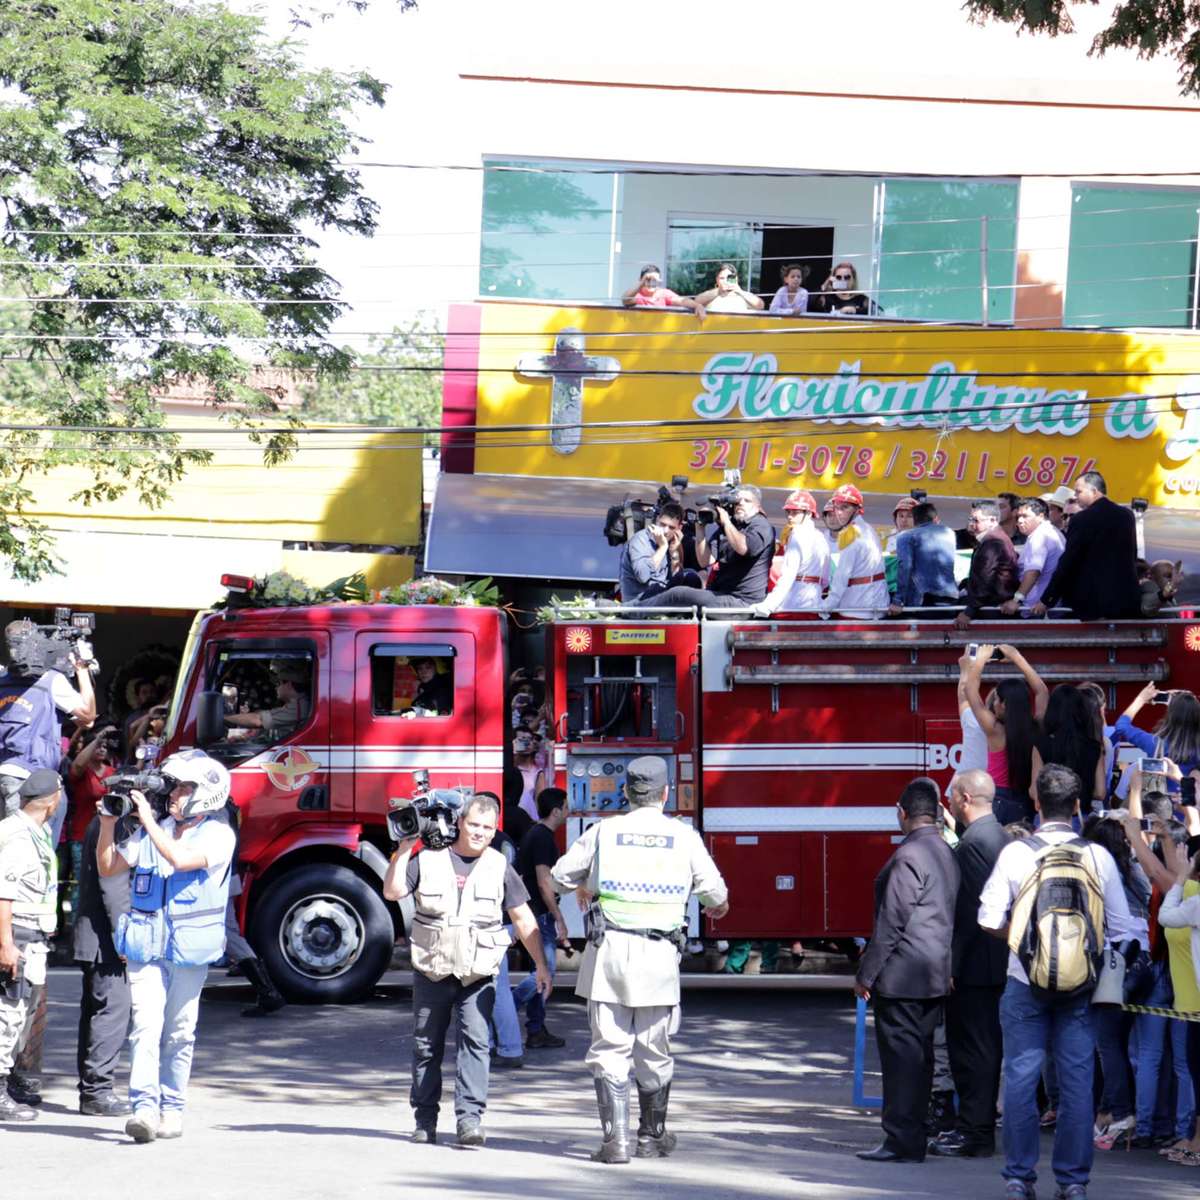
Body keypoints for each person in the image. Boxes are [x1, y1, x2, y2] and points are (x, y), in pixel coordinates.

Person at [550, 756, 728, 1164]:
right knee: (654, 1049)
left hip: (608, 952)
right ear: (665, 794)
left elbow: (560, 877)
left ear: (626, 793)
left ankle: (616, 1143)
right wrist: (715, 907)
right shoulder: (683, 837)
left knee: (610, 1049)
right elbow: (716, 897)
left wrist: (587, 885)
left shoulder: (603, 831)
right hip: (659, 957)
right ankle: (651, 1137)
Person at [978, 763, 1138, 1200]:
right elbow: (1124, 928)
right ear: (1077, 806)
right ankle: (1072, 1183)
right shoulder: (1097, 856)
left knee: (1021, 1081)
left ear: (1036, 803)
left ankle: (1018, 1178)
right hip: (1082, 988)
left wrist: (1024, 938)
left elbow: (988, 918)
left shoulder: (1016, 853)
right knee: (1077, 1084)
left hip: (1023, 982)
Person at [383, 792, 551, 1147]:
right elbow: (393, 891)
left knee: (475, 1045)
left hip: (478, 974)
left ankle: (469, 1121)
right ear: (460, 822)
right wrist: (403, 849)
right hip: (433, 970)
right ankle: (425, 1120)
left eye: (486, 828)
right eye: (473, 824)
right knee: (426, 1047)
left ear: (494, 832)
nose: (478, 832)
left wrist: (540, 965)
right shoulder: (426, 859)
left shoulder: (499, 866)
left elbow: (522, 918)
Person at [96, 749, 236, 1144]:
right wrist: (108, 825)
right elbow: (109, 867)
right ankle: (143, 1108)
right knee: (145, 1027)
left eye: (181, 788)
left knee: (179, 1032)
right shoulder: (151, 828)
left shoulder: (218, 834)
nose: (172, 795)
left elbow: (179, 858)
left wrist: (145, 821)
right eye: (172, 787)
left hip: (187, 953)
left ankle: (171, 1109)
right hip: (146, 949)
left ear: (205, 793)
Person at [854, 777, 960, 1164]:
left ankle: (899, 1139)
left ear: (902, 813)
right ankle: (913, 1135)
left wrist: (866, 974)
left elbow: (891, 923)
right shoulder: (945, 851)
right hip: (933, 974)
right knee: (921, 1060)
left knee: (900, 1064)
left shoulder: (908, 856)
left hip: (901, 979)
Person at [930, 769, 1010, 1160]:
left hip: (976, 967)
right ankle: (974, 1128)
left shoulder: (973, 845)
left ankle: (974, 1132)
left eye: (951, 796)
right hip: (994, 964)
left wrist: (951, 967)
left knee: (972, 1051)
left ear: (963, 797)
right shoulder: (995, 836)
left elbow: (968, 916)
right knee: (985, 1047)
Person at [1080, 813, 1151, 1151]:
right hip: (1143, 961)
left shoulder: (1097, 873)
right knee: (1118, 1044)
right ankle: (1109, 1113)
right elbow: (1150, 896)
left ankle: (1119, 1113)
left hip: (1115, 962)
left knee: (1107, 1042)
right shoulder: (1132, 869)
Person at [0, 769, 61, 1123]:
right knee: (8, 1015)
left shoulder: (36, 831)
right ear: (52, 801)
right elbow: (3, 895)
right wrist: (6, 944)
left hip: (31, 935)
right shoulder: (18, 836)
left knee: (22, 1012)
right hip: (17, 935)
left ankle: (9, 1082)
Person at [0, 618, 96, 820]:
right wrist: (82, 670)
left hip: (5, 774)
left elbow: (85, 722)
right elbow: (88, 715)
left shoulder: (3, 679)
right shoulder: (51, 681)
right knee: (24, 843)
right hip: (31, 778)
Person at [73, 807, 133, 1116]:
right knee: (111, 1013)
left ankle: (92, 1089)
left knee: (98, 1013)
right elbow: (115, 887)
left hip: (96, 935)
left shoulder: (102, 820)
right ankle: (97, 1091)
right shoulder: (115, 825)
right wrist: (124, 935)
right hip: (106, 939)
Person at [640, 485, 775, 612]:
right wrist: (700, 529)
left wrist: (726, 522)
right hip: (720, 594)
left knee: (679, 594)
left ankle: (633, 611)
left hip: (742, 601)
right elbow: (705, 560)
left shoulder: (761, 526)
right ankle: (634, 607)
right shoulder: (733, 526)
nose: (740, 504)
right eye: (738, 500)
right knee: (684, 580)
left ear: (757, 507)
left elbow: (743, 548)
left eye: (747, 501)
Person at [1032, 472, 1141, 620]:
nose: (1075, 496)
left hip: (1093, 604)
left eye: (1079, 491)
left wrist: (1047, 600)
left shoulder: (1082, 519)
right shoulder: (1126, 515)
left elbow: (1068, 562)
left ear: (1094, 491)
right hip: (1125, 600)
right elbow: (1131, 556)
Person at [960, 643, 1047, 826]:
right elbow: (1041, 691)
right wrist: (1017, 657)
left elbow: (970, 691)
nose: (995, 703)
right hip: (1026, 803)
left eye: (998, 700)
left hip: (998, 798)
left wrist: (980, 660)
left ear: (1004, 705)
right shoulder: (1037, 726)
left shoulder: (995, 730)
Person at [512, 788, 570, 1050]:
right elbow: (545, 882)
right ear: (556, 810)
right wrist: (558, 917)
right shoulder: (544, 838)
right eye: (566, 806)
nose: (569, 811)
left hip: (534, 911)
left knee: (541, 973)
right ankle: (502, 1011)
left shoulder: (536, 834)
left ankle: (536, 1029)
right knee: (543, 974)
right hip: (540, 914)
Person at [751, 489, 830, 617]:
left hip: (795, 602)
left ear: (809, 513)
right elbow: (825, 580)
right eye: (788, 512)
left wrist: (768, 606)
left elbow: (788, 576)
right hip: (815, 603)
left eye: (795, 512)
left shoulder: (797, 534)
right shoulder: (821, 537)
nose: (789, 516)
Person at [1032, 685, 1108, 810]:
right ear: (1081, 710)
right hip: (1081, 814)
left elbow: (1034, 791)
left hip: (1050, 814)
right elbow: (1100, 793)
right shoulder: (1094, 746)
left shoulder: (1041, 745)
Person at [1113, 684, 1200, 792]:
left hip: (1160, 805)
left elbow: (1122, 726)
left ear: (1170, 716)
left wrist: (1140, 700)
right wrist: (1190, 701)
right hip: (1191, 805)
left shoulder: (1156, 744)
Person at [820, 484, 889, 619]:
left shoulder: (851, 534)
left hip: (857, 608)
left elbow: (841, 577)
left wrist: (825, 607)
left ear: (857, 510)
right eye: (837, 507)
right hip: (876, 604)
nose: (839, 512)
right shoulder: (868, 529)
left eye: (845, 507)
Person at [617, 502, 701, 604]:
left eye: (671, 527)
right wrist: (662, 547)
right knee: (665, 591)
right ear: (657, 520)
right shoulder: (640, 539)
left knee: (691, 577)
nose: (665, 531)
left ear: (679, 528)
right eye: (663, 524)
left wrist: (675, 552)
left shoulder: (673, 541)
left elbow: (675, 577)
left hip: (660, 595)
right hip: (638, 601)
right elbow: (643, 576)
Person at [954, 500, 1019, 630]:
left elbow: (985, 579)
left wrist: (969, 612)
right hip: (989, 605)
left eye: (976, 520)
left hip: (991, 609)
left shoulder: (993, 541)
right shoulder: (992, 538)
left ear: (992, 520)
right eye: (970, 519)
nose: (972, 524)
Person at [888, 501, 958, 614]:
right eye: (900, 516)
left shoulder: (905, 537)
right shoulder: (948, 532)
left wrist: (898, 600)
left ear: (915, 518)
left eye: (909, 516)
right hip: (950, 596)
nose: (904, 520)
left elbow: (905, 567)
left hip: (921, 600)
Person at [1000, 498, 1065, 617]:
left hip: (1037, 610)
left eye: (1025, 516)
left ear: (1040, 516)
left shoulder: (1039, 536)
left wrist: (1016, 600)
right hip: (1047, 607)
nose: (1020, 521)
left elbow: (1033, 572)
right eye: (1018, 516)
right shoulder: (1051, 532)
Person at [223, 659, 310, 738]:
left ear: (289, 684)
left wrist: (223, 718)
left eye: (279, 684)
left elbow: (258, 720)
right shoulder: (297, 704)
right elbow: (268, 716)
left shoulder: (299, 707)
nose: (276, 688)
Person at [621, 264, 705, 317]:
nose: (651, 283)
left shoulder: (663, 293)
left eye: (655, 280)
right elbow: (625, 300)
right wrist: (642, 282)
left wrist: (697, 306)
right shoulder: (637, 295)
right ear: (641, 279)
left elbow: (682, 301)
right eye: (648, 279)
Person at [809, 261, 877, 316]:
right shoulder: (827, 297)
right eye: (838, 277)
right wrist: (824, 287)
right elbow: (809, 306)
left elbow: (877, 311)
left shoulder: (861, 298)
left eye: (847, 277)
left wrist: (855, 310)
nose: (843, 280)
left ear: (853, 279)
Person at [694, 263, 764, 313]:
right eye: (722, 278)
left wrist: (739, 291)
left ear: (735, 279)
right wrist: (719, 291)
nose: (725, 281)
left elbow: (760, 305)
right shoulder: (711, 295)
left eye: (729, 278)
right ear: (717, 280)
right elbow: (697, 301)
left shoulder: (743, 296)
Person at [512, 731, 546, 822]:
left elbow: (539, 803)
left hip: (529, 820)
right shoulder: (508, 769)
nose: (525, 744)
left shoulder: (538, 772)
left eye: (528, 740)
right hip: (510, 817)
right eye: (521, 740)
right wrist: (513, 752)